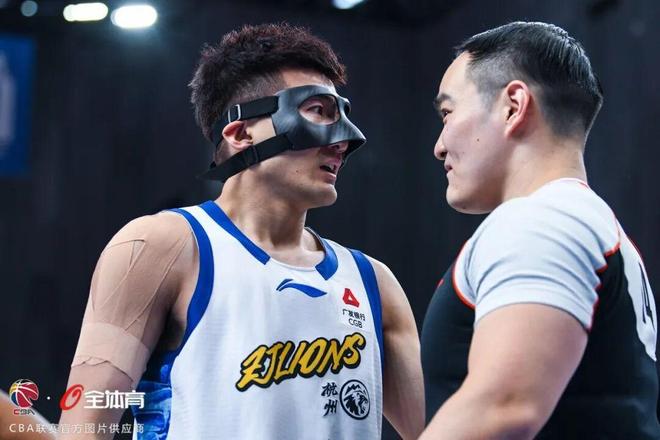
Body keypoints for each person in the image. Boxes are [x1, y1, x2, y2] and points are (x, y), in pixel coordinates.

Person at [59, 23, 424, 439]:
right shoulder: (161, 247)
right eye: (318, 111)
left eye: (341, 114)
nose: (344, 140)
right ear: (241, 133)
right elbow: (83, 427)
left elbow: (447, 430)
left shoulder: (373, 282)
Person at [420, 21, 659, 439]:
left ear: (513, 106)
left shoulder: (542, 221)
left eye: (448, 113)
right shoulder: (586, 223)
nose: (439, 146)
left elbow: (503, 408)